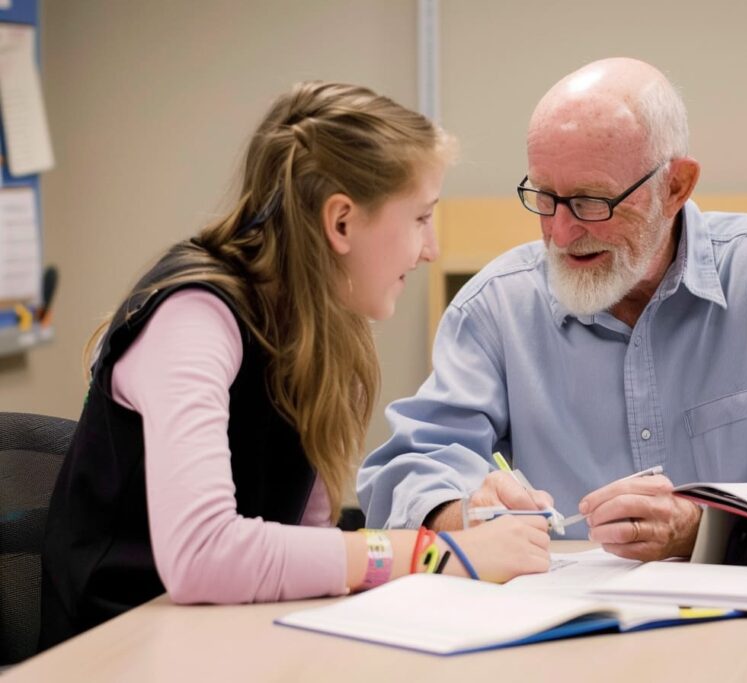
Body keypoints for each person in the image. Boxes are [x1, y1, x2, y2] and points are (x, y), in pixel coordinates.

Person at [39, 81, 550, 649]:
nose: (429, 248)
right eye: (421, 218)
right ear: (341, 223)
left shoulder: (323, 331)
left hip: (226, 640)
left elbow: (306, 549)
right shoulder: (193, 318)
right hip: (118, 649)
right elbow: (203, 555)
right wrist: (438, 555)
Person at [357, 58, 747, 561]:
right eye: (544, 197)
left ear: (676, 185)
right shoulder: (497, 308)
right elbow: (405, 471)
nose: (561, 233)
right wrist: (466, 510)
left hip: (745, 626)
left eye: (592, 201)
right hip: (559, 637)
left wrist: (701, 525)